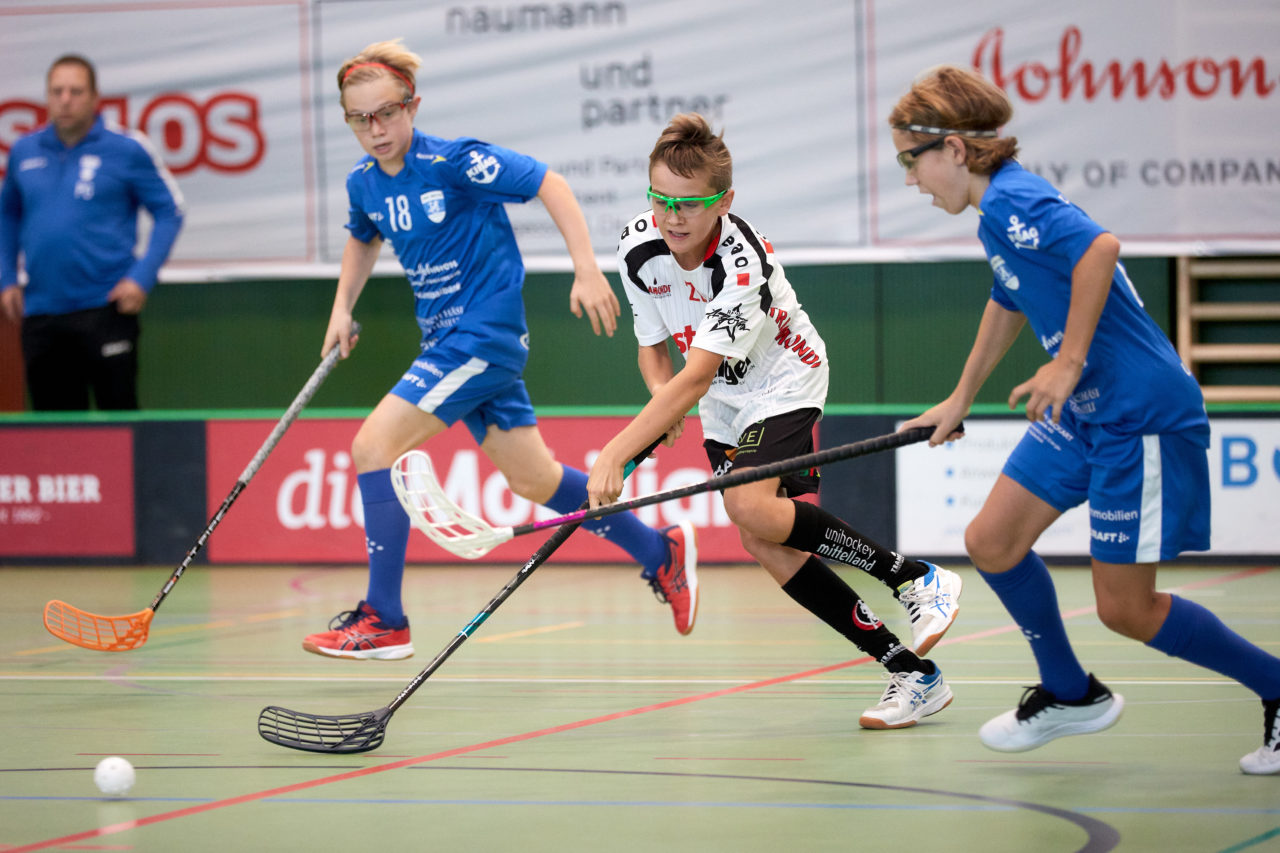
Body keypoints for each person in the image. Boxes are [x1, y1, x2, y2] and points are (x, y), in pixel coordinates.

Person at [890, 65, 1280, 773]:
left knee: (1126, 609)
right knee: (993, 539)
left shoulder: (1017, 198)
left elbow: (1100, 248)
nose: (910, 179)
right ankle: (1071, 694)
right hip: (1086, 416)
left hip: (1139, 414)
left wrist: (1067, 363)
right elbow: (1007, 298)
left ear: (950, 148)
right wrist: (960, 396)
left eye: (908, 161)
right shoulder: (995, 219)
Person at [301, 40, 698, 660]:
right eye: (360, 118)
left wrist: (586, 270)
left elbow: (552, 183)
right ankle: (659, 550)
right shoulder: (364, 185)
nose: (376, 129)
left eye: (387, 112)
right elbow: (362, 238)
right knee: (535, 479)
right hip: (448, 342)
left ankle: (384, 619)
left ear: (412, 106)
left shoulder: (454, 162)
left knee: (371, 447)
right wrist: (340, 307)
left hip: (480, 340)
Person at [586, 113, 963, 729]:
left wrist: (615, 452)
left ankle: (914, 579)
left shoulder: (742, 265)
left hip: (784, 379)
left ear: (724, 202)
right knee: (762, 537)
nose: (671, 216)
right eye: (660, 200)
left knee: (749, 506)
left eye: (689, 204)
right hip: (720, 401)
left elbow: (696, 374)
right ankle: (911, 674)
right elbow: (655, 348)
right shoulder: (637, 245)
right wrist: (662, 402)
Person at [0, 54, 185, 411]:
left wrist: (141, 278)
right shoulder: (24, 150)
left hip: (106, 307)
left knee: (119, 427)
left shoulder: (127, 148)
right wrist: (7, 277)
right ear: (47, 97)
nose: (65, 99)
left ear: (95, 97)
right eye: (57, 91)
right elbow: (7, 213)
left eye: (75, 91)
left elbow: (171, 211)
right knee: (55, 440)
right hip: (40, 312)